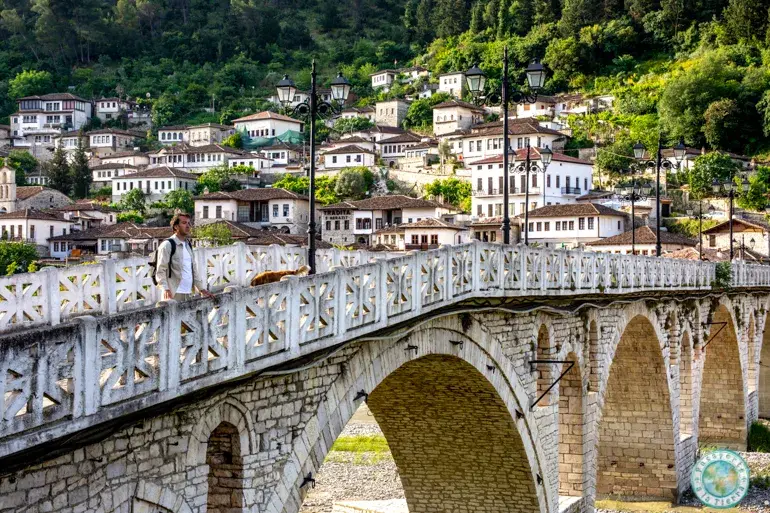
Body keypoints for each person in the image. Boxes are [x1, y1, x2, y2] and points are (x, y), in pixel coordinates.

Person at [155, 212, 213, 301]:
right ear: (176, 226)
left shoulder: (188, 245)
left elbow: (193, 269)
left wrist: (201, 289)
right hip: (174, 294)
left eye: (189, 223)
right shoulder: (167, 245)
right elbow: (160, 270)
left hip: (188, 293)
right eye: (184, 223)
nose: (188, 226)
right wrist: (166, 289)